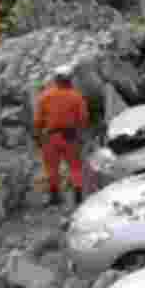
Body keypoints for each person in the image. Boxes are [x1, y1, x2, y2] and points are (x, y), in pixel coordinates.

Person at [33, 65, 89, 206]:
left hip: (50, 137)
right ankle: (78, 197)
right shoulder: (76, 96)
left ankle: (54, 197)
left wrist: (38, 137)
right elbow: (83, 118)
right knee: (75, 167)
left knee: (51, 168)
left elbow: (38, 120)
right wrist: (79, 133)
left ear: (56, 79)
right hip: (70, 136)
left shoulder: (45, 96)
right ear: (70, 79)